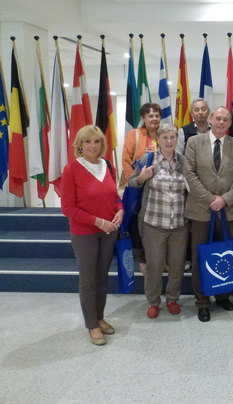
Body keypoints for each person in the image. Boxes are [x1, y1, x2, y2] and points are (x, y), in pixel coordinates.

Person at [61, 125, 123, 346]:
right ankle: (92, 325)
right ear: (80, 144)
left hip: (108, 233)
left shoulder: (107, 166)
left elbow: (115, 196)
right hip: (85, 233)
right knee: (88, 280)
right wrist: (99, 222)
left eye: (96, 141)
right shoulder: (71, 169)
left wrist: (120, 209)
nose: (93, 146)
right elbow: (68, 208)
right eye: (87, 141)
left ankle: (100, 316)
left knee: (102, 277)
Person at [184, 107, 233, 322]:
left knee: (225, 253)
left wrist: (224, 200)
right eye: (217, 118)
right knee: (200, 257)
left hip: (228, 211)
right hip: (201, 210)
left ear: (230, 123)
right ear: (210, 119)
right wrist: (211, 200)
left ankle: (223, 295)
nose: (221, 122)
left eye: (225, 119)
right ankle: (202, 301)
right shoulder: (194, 142)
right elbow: (189, 174)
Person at [129, 124, 188, 319]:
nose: (169, 141)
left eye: (173, 137)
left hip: (179, 224)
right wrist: (141, 178)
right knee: (154, 266)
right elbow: (130, 181)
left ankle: (172, 299)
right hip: (153, 224)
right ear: (159, 140)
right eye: (165, 138)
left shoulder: (184, 161)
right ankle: (153, 302)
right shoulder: (148, 159)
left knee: (177, 265)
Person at [121, 102, 162, 274]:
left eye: (157, 115)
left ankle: (161, 259)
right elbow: (126, 160)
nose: (154, 119)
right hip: (139, 188)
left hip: (161, 189)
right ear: (143, 118)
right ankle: (143, 260)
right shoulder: (134, 135)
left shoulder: (165, 134)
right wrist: (137, 180)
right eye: (150, 116)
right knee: (139, 224)